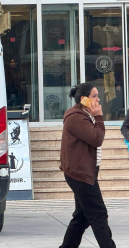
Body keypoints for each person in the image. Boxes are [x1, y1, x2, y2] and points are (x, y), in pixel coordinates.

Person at [59, 83, 115, 248]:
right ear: (83, 99)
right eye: (94, 96)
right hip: (81, 174)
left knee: (82, 216)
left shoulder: (83, 114)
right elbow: (97, 139)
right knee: (99, 214)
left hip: (83, 172)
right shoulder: (76, 117)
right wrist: (99, 117)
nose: (98, 99)